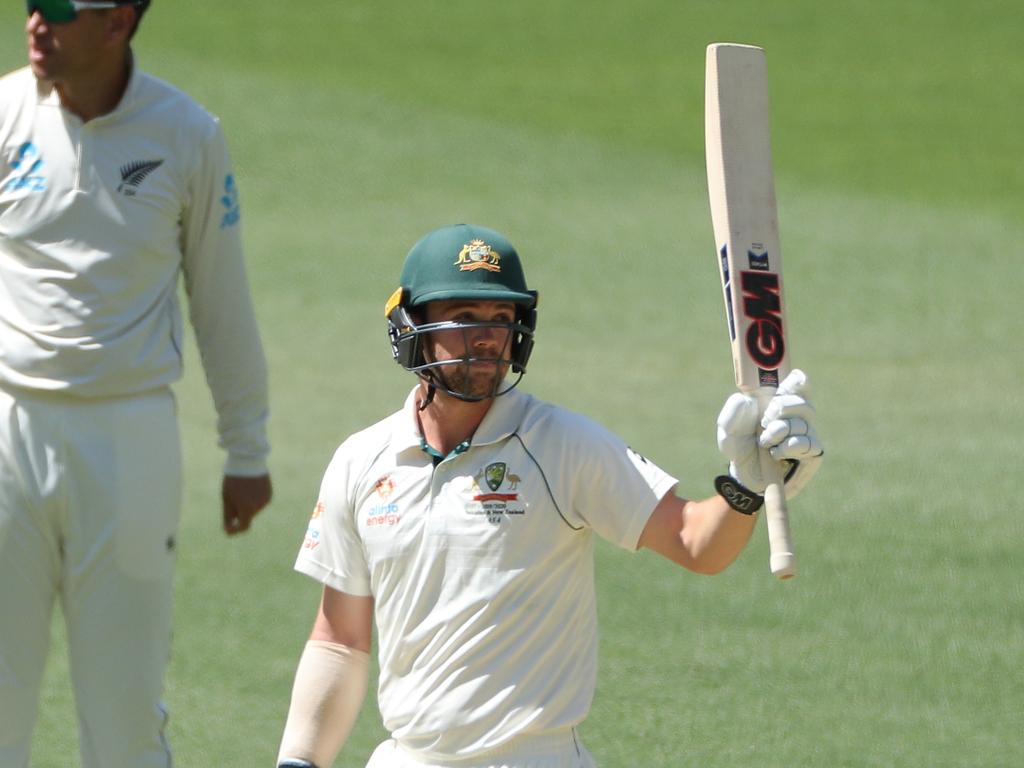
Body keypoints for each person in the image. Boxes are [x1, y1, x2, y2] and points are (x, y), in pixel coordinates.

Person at [276, 224, 822, 768]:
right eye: (464, 319)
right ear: (411, 326)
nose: (488, 337)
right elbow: (340, 641)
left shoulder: (562, 444)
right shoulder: (361, 460)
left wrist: (746, 484)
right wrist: (300, 760)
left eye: (501, 319)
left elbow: (696, 542)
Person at [0, 2, 272, 766]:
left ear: (118, 20)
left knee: (124, 716)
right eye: (28, 4)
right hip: (7, 430)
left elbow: (222, 300)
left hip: (131, 445)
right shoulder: (3, 112)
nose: (34, 22)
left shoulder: (187, 134)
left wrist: (246, 449)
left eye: (57, 8)